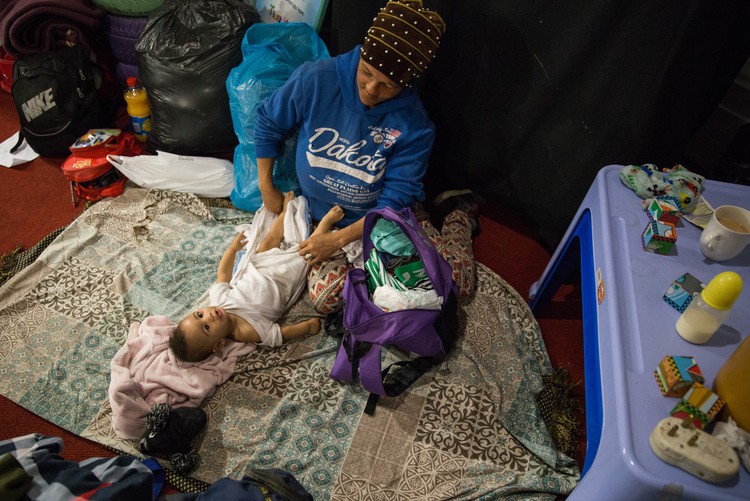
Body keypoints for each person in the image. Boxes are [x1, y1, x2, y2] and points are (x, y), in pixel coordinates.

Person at [254, 0, 481, 314]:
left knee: (454, 287)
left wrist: (340, 241)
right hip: (322, 220)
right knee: (327, 297)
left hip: (377, 220)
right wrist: (267, 187)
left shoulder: (414, 125)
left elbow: (395, 200)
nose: (371, 89)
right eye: (366, 73)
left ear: (406, 84)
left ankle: (456, 212)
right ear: (361, 54)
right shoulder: (317, 78)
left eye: (387, 85)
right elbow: (267, 121)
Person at [169, 193, 345, 362]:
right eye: (207, 327)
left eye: (199, 314)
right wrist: (307, 327)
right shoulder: (246, 331)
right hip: (282, 279)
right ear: (219, 344)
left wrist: (232, 249)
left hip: (258, 267)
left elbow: (223, 274)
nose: (208, 316)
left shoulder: (218, 299)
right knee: (304, 255)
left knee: (269, 240)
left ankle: (284, 213)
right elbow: (279, 334)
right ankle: (325, 225)